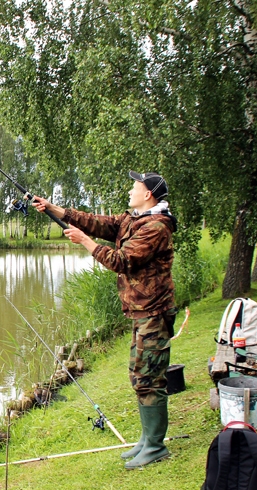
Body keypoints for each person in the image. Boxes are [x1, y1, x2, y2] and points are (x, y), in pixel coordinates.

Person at [33, 171, 177, 469]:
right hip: (142, 312)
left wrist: (85, 241)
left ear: (148, 194)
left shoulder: (156, 227)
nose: (130, 191)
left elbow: (121, 261)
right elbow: (99, 222)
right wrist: (53, 209)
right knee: (139, 375)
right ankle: (147, 439)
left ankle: (155, 445)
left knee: (149, 378)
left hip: (154, 313)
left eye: (135, 187)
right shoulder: (134, 219)